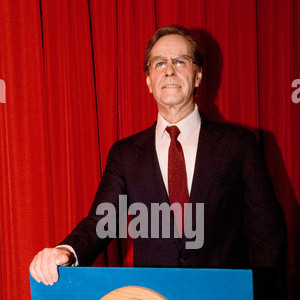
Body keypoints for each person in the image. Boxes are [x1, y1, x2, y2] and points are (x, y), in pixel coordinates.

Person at [30, 25, 286, 286]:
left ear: (198, 75)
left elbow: (267, 233)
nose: (170, 70)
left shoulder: (238, 145)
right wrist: (66, 251)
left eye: (180, 61)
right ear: (149, 81)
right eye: (159, 63)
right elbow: (103, 222)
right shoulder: (126, 154)